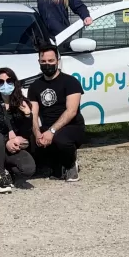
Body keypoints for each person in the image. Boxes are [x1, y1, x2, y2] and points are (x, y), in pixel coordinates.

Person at [27, 43, 85, 182]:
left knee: (61, 140)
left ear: (58, 61)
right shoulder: (35, 86)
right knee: (30, 140)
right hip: (48, 126)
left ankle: (71, 164)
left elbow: (71, 111)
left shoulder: (71, 82)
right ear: (39, 62)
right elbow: (33, 114)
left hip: (72, 126)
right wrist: (37, 134)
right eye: (44, 61)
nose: (47, 64)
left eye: (51, 61)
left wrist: (51, 132)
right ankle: (55, 164)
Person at [0, 67, 37, 193]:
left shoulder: (22, 102)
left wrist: (27, 115)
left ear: (15, 82)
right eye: (1, 82)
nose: (5, 84)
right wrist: (6, 141)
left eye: (9, 81)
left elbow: (26, 134)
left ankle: (7, 172)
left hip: (13, 150)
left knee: (28, 169)